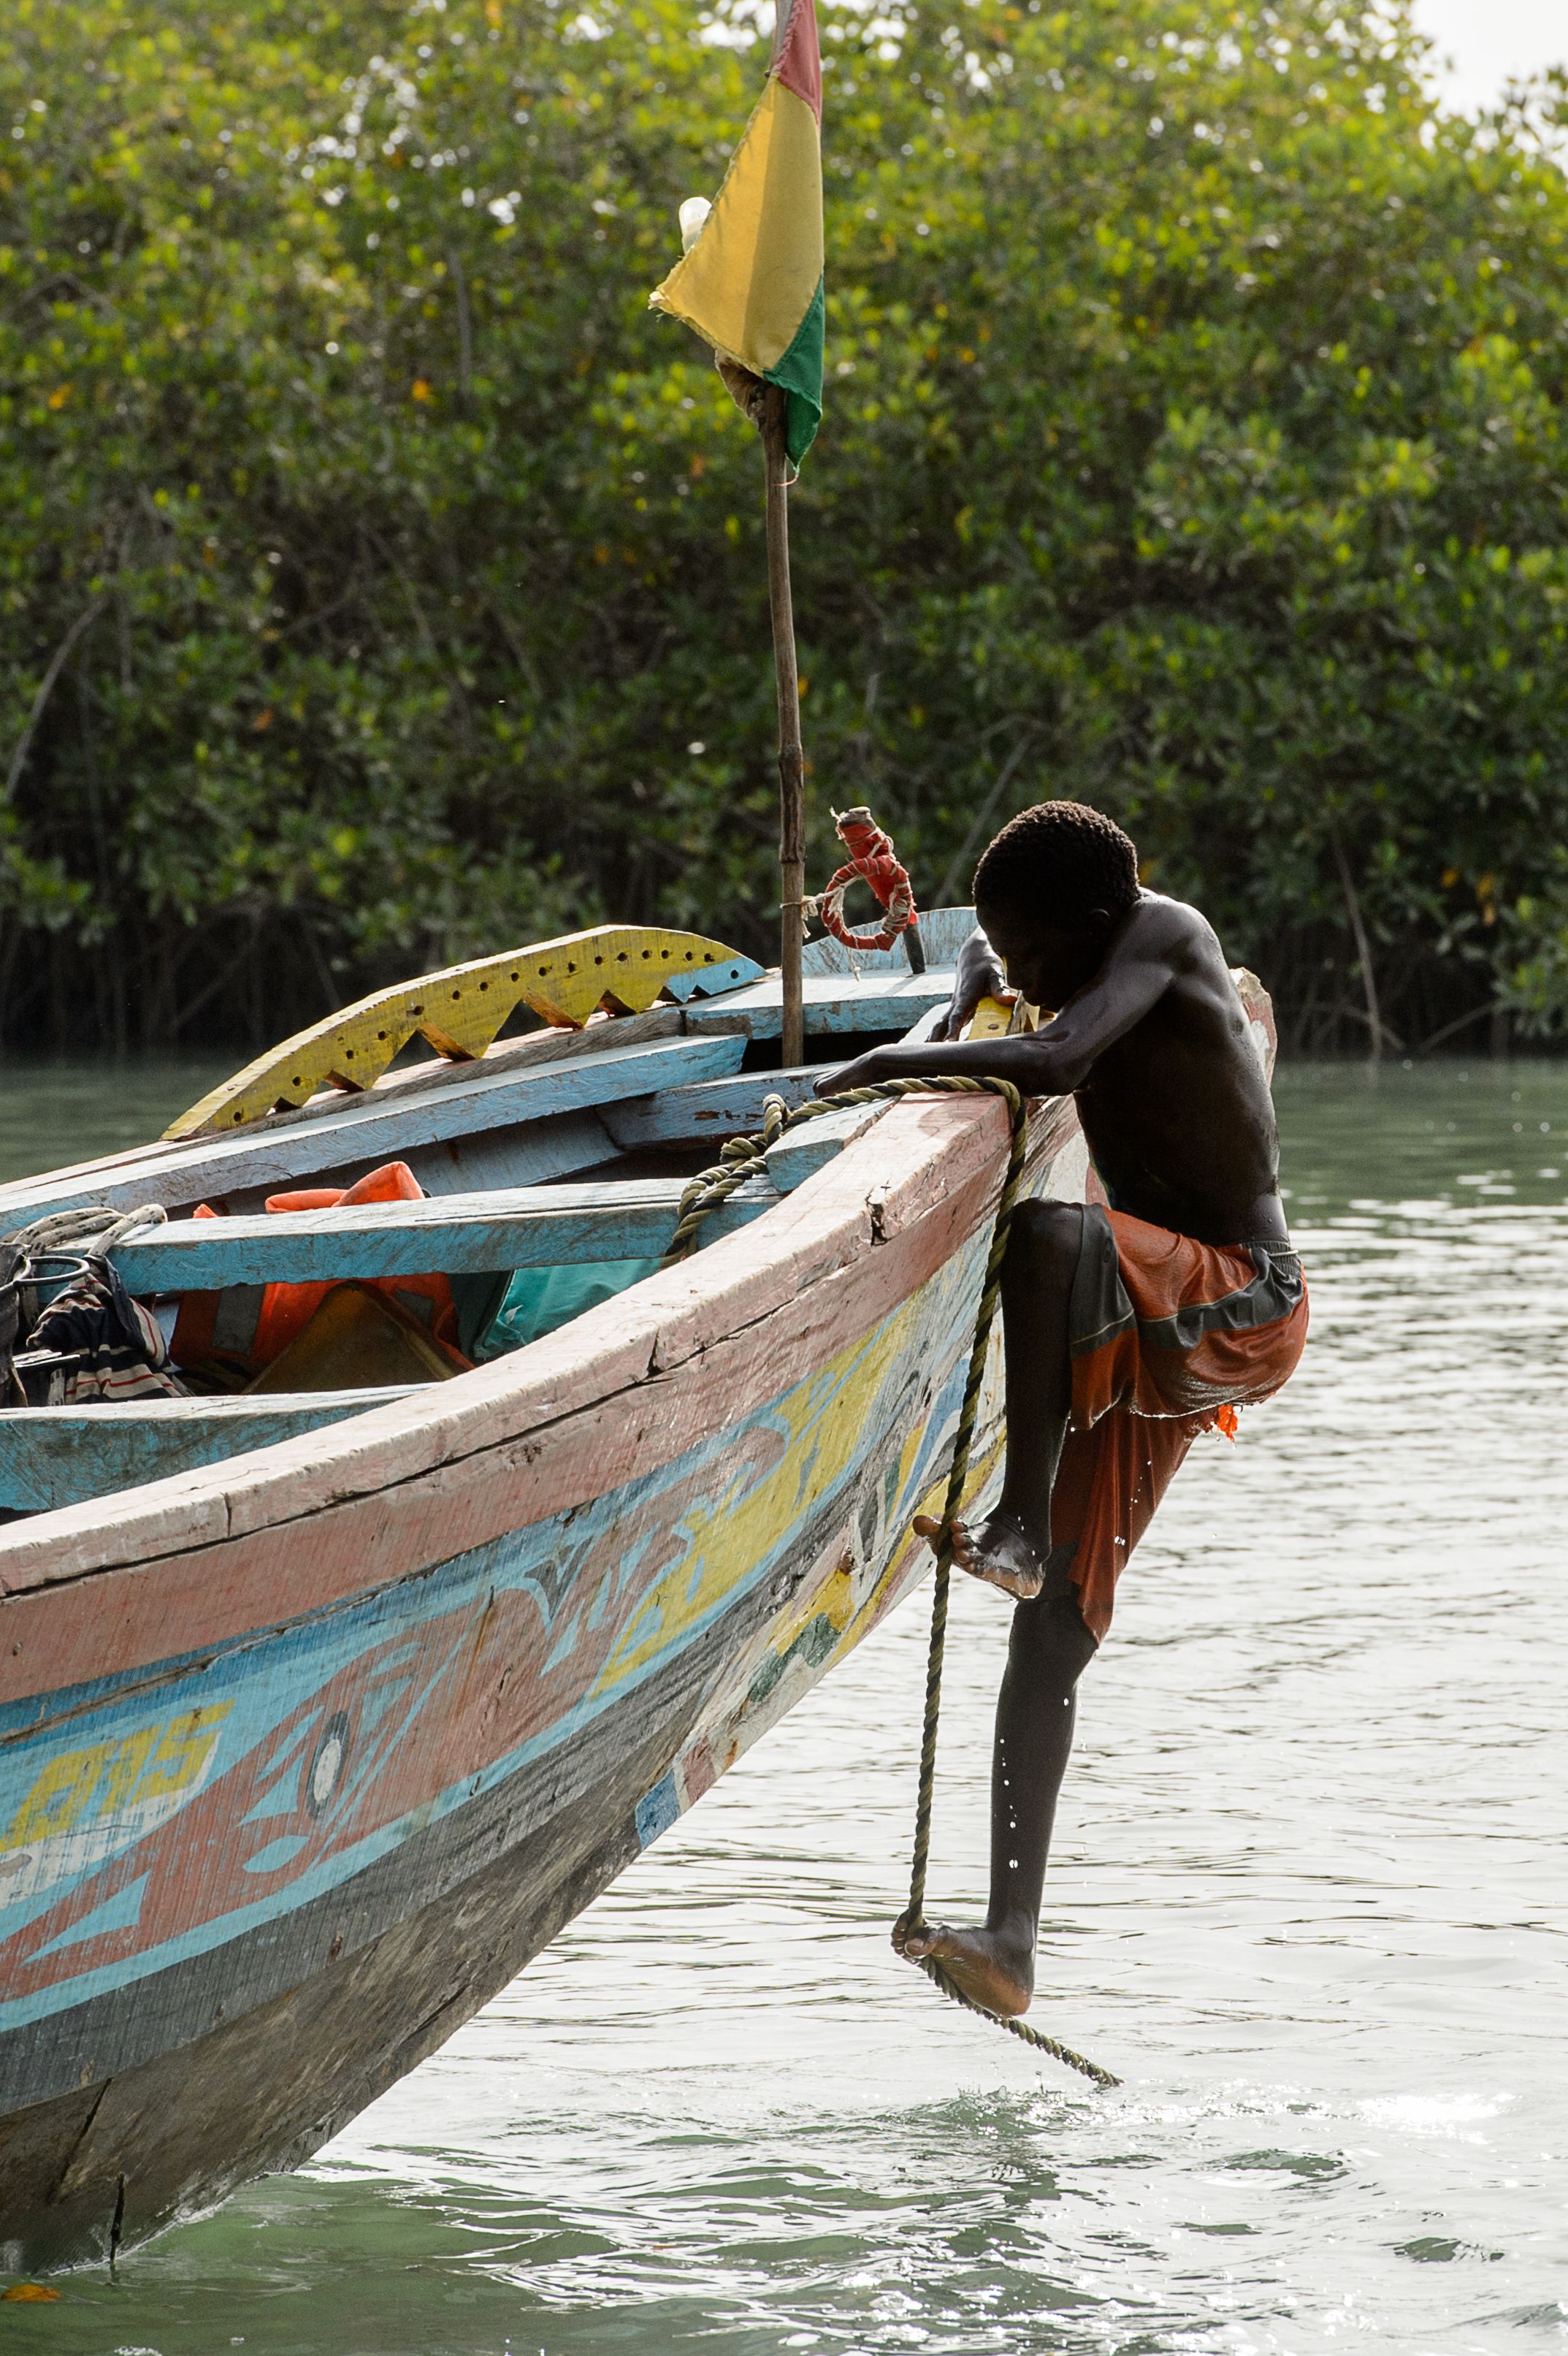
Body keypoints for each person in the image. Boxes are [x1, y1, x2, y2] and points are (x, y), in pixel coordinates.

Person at [823, 801, 1307, 2021]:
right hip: (1161, 1305)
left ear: (1091, 927)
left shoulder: (1163, 937)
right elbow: (1027, 1005)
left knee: (1046, 1233)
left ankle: (1021, 1525)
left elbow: (1053, 1058)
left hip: (1238, 1303)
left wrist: (891, 1064)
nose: (1029, 978)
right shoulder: (1089, 949)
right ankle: (1012, 1944)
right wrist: (977, 967)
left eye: (1035, 953)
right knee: (1057, 1634)